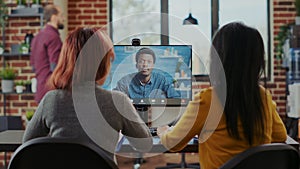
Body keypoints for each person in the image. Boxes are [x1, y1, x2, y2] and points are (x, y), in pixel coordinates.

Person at [157, 22, 287, 169]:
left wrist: (163, 131)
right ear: (257, 61)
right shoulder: (263, 97)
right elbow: (280, 136)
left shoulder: (207, 100)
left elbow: (173, 143)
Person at [23, 27, 153, 162]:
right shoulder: (118, 101)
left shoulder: (51, 99)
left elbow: (28, 142)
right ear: (102, 64)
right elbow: (145, 144)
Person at [30, 4, 65, 103]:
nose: (63, 19)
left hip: (40, 91)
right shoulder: (53, 37)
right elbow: (56, 66)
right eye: (61, 16)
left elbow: (33, 66)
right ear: (54, 17)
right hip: (51, 93)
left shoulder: (37, 37)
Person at [114, 47, 181, 98]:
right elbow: (113, 99)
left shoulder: (161, 80)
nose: (145, 65)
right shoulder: (125, 81)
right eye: (141, 61)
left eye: (149, 62)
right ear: (136, 65)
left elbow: (175, 98)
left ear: (153, 65)